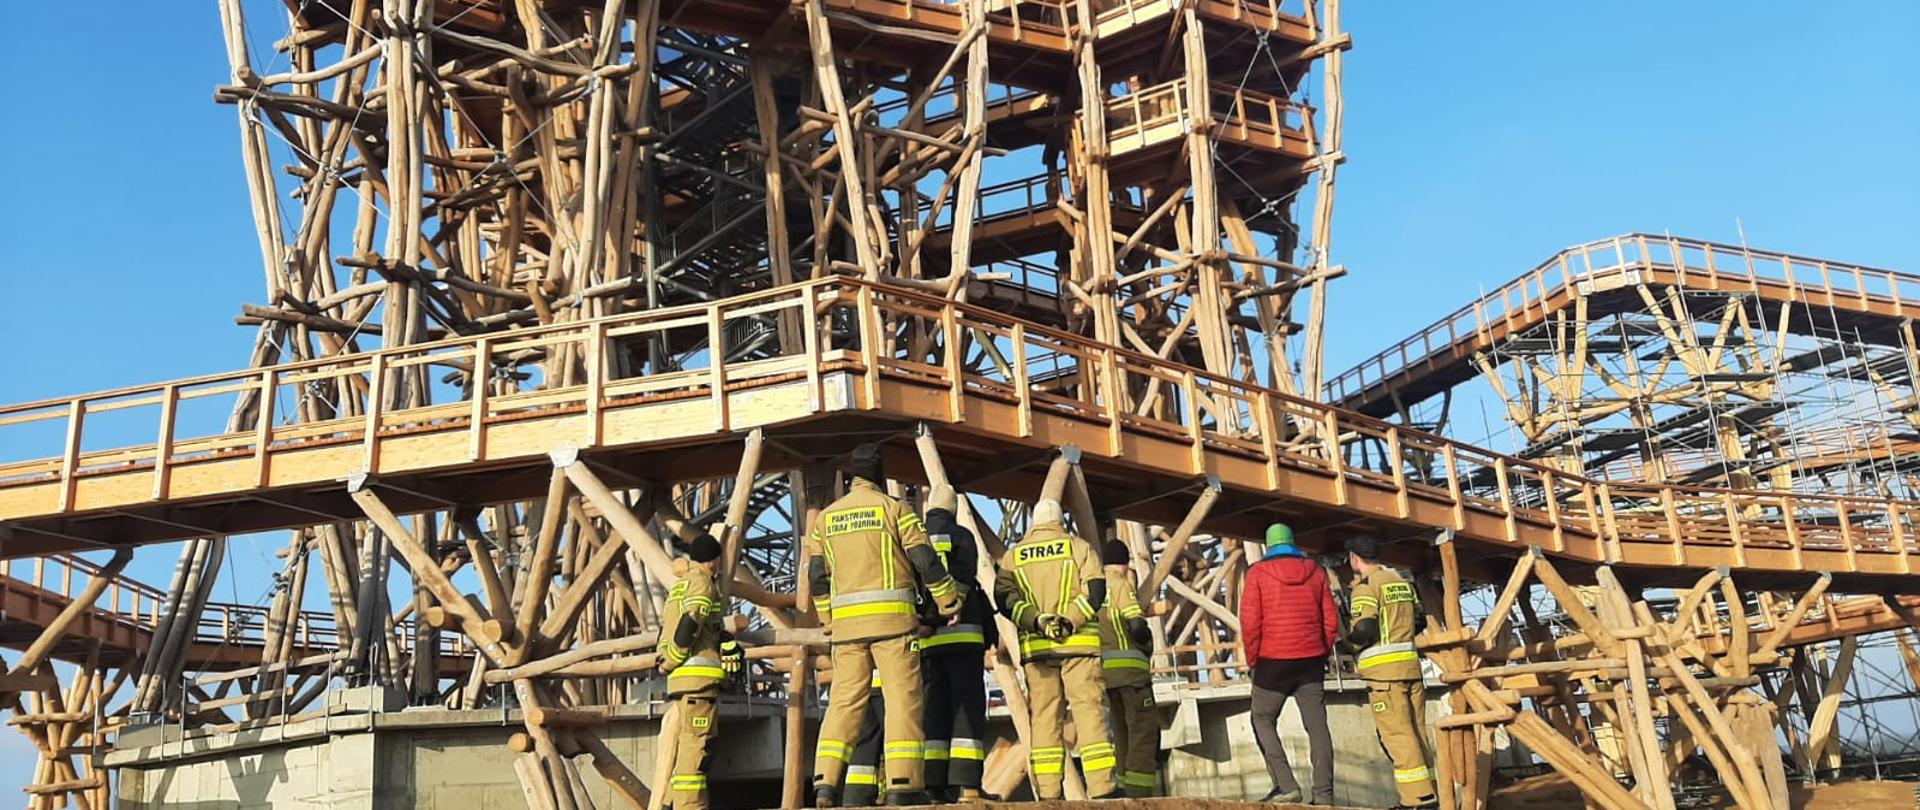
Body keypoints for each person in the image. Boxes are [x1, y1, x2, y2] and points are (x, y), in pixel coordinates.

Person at [807, 444, 963, 808]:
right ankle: (903, 786)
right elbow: (925, 559)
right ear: (880, 474)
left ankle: (825, 784)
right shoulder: (895, 510)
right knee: (901, 702)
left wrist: (828, 616)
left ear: (850, 476)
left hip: (846, 631)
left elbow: (817, 575)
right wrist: (948, 601)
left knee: (844, 705)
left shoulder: (826, 519)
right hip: (893, 626)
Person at [994, 498, 1122, 800]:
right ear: (1059, 522)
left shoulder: (1014, 557)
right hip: (1078, 648)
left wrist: (1038, 621)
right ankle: (1102, 787)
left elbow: (1004, 599)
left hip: (1038, 651)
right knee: (1089, 712)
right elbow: (1096, 592)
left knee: (1043, 719)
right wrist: (1069, 622)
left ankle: (1049, 791)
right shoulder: (1079, 549)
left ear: (1035, 524)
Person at [1241, 523, 1337, 805]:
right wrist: (1323, 651)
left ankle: (1286, 785)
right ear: (1293, 542)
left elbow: (1250, 623)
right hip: (1310, 660)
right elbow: (1330, 620)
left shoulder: (1257, 573)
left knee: (1261, 718)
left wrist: (1252, 660)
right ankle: (1324, 796)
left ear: (1267, 546)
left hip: (1272, 661)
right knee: (1317, 726)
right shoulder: (1316, 572)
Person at [1339, 534, 1436, 810]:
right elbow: (1417, 621)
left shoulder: (1366, 587)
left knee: (1397, 736)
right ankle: (1429, 793)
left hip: (1384, 676)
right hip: (1411, 669)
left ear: (1355, 559)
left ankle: (1417, 801)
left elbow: (1365, 630)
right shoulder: (1401, 583)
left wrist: (1345, 645)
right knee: (1417, 733)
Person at [919, 486, 995, 801]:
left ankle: (935, 786)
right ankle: (968, 786)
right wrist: (946, 611)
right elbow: (963, 579)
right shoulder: (961, 535)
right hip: (963, 634)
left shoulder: (916, 536)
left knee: (934, 711)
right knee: (966, 710)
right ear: (952, 509)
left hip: (928, 640)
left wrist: (927, 619)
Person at [656, 533, 740, 810]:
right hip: (697, 680)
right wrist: (674, 657)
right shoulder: (703, 583)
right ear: (714, 562)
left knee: (684, 748)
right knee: (697, 750)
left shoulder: (679, 585)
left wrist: (724, 639)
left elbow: (688, 626)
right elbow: (691, 621)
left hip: (681, 682)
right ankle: (690, 806)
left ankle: (669, 802)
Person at [1095, 529, 1158, 797]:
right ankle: (1140, 793)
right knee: (1142, 731)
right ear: (1125, 563)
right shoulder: (1120, 584)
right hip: (1131, 674)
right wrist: (1147, 646)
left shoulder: (1093, 587)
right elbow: (1136, 626)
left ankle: (1122, 788)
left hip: (1105, 675)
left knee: (1120, 733)